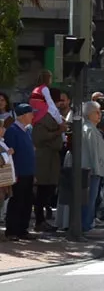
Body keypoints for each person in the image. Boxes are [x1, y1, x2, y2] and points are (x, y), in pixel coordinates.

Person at [31, 89, 63, 232]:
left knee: (48, 189)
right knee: (42, 191)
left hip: (51, 159)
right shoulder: (43, 117)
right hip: (44, 159)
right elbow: (39, 137)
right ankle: (39, 220)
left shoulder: (54, 116)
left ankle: (42, 219)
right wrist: (58, 131)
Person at [3, 105, 36, 240]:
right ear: (23, 115)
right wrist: (13, 173)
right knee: (17, 201)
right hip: (18, 173)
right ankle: (12, 230)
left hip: (28, 173)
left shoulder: (27, 130)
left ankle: (23, 229)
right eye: (30, 113)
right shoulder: (12, 131)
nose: (33, 116)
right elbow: (10, 154)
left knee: (27, 202)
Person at [80, 101, 104, 232]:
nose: (100, 114)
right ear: (89, 114)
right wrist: (97, 170)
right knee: (89, 200)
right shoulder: (89, 129)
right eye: (96, 112)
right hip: (92, 171)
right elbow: (93, 153)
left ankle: (87, 223)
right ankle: (85, 225)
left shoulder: (92, 129)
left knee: (92, 199)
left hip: (95, 170)